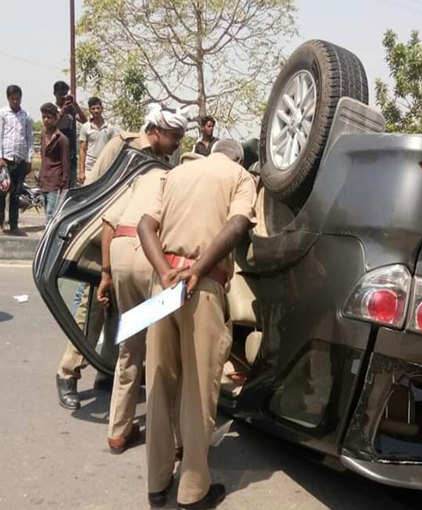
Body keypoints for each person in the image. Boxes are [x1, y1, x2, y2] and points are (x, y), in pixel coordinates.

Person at [138, 140, 257, 509]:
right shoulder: (239, 176)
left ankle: (157, 485)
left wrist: (164, 272)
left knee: (158, 382)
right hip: (200, 285)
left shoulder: (175, 173)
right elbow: (238, 224)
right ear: (237, 157)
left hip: (163, 284)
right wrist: (199, 269)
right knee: (198, 389)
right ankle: (193, 492)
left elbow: (145, 225)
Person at [55, 104, 188, 411]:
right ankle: (67, 373)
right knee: (93, 309)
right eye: (174, 136)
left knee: (125, 313)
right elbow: (93, 188)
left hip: (140, 244)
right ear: (155, 130)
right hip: (106, 234)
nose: (178, 143)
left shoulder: (167, 161)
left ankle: (107, 369)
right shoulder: (122, 145)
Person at [94, 105, 187, 454]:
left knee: (130, 347)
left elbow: (107, 222)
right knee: (164, 351)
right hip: (150, 254)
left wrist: (105, 273)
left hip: (119, 252)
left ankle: (118, 432)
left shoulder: (140, 177)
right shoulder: (176, 180)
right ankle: (178, 439)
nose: (177, 145)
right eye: (175, 138)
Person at [0, 84, 33, 235]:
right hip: (5, 160)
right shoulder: (3, 114)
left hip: (20, 160)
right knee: (2, 193)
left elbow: (29, 139)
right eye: (13, 99)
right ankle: (1, 223)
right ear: (8, 98)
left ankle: (14, 225)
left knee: (16, 194)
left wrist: (29, 159)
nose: (15, 101)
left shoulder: (25, 116)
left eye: (18, 98)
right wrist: (0, 157)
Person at [37, 103, 69, 222]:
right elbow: (43, 158)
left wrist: (64, 185)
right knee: (46, 212)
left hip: (55, 182)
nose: (46, 120)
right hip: (44, 180)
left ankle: (49, 239)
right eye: (44, 117)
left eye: (49, 117)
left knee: (51, 214)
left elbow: (65, 163)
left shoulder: (62, 139)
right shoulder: (43, 136)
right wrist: (40, 176)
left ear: (55, 117)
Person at [53, 81, 87, 188]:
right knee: (58, 186)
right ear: (55, 94)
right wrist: (63, 110)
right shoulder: (52, 109)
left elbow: (85, 121)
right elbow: (52, 125)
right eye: (61, 95)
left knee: (71, 186)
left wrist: (75, 105)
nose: (63, 97)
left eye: (65, 94)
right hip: (57, 154)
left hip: (71, 153)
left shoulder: (71, 109)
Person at [78, 97, 117, 184]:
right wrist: (81, 172)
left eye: (98, 108)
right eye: (93, 108)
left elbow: (114, 148)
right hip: (89, 168)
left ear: (102, 109)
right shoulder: (85, 128)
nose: (96, 111)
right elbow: (82, 150)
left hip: (105, 168)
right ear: (90, 110)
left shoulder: (110, 128)